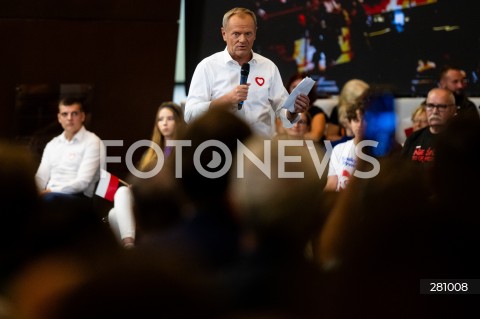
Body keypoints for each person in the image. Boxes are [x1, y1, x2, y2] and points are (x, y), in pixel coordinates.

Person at [184, 7, 310, 138]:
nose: (243, 40)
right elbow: (190, 115)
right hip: (221, 150)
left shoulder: (268, 67)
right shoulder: (207, 67)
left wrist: (293, 111)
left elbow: (284, 116)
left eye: (248, 33)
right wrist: (225, 100)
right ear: (224, 34)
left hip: (259, 151)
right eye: (236, 34)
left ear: (255, 33)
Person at [107, 101, 186, 248]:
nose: (165, 123)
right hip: (144, 201)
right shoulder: (151, 153)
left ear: (179, 121)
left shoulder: (186, 150)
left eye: (170, 118)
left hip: (165, 201)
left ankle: (130, 247)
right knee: (116, 207)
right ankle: (130, 248)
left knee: (115, 210)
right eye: (160, 119)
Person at [35, 97, 102, 212]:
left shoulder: (93, 141)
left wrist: (51, 191)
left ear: (82, 116)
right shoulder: (52, 144)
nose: (69, 118)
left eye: (74, 114)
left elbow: (83, 183)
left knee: (48, 200)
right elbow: (41, 177)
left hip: (78, 198)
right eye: (65, 114)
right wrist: (32, 192)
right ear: (59, 118)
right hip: (50, 196)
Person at [401, 88, 457, 166]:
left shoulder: (462, 140)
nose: (435, 111)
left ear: (453, 110)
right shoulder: (414, 138)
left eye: (441, 107)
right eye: (430, 106)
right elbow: (402, 169)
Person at [324, 95, 366, 191]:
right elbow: (331, 184)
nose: (360, 125)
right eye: (356, 120)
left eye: (365, 120)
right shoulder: (339, 149)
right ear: (350, 123)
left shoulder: (381, 151)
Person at [286, 72, 329, 143]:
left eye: (301, 88)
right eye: (294, 87)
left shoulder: (317, 113)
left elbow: (315, 136)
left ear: (309, 91)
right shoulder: (281, 111)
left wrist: (293, 139)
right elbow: (278, 133)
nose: (297, 91)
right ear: (288, 89)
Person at [325, 79, 369, 146]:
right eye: (363, 98)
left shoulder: (370, 110)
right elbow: (330, 136)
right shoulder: (337, 110)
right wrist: (348, 142)